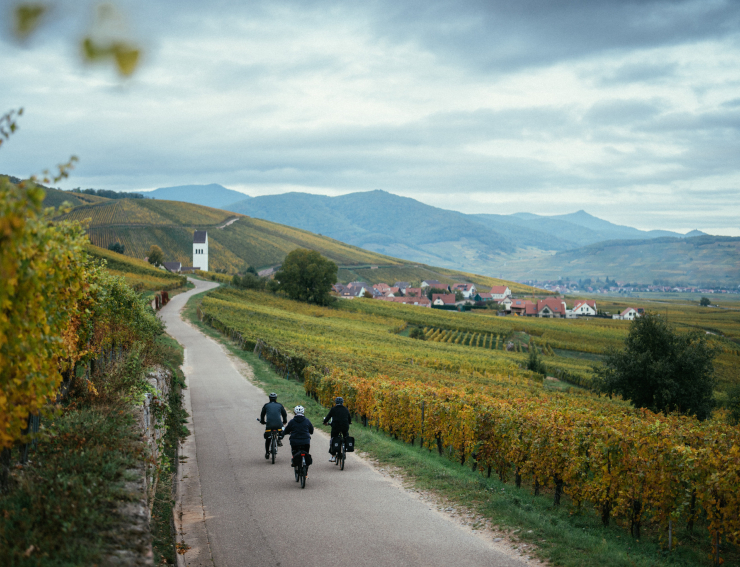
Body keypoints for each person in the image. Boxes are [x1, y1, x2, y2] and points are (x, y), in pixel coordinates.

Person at [282, 405, 314, 473]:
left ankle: (294, 461)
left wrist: (283, 434)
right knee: (306, 453)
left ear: (294, 412)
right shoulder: (307, 421)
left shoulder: (292, 421)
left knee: (294, 451)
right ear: (303, 412)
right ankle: (306, 471)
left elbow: (286, 430)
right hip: (306, 441)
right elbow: (311, 431)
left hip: (295, 441)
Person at [323, 396, 351, 462]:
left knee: (333, 438)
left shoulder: (333, 409)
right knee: (346, 436)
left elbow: (328, 417)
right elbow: (349, 419)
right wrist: (349, 422)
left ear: (335, 402)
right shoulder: (346, 409)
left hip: (336, 427)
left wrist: (325, 422)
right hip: (345, 427)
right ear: (342, 402)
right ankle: (345, 448)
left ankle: (333, 455)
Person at [260, 392, 287, 459]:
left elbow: (262, 414)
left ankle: (267, 452)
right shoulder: (280, 405)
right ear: (276, 399)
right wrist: (284, 421)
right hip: (278, 424)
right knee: (282, 430)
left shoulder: (266, 405)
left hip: (269, 424)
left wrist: (262, 421)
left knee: (268, 438)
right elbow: (284, 414)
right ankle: (279, 438)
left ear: (269, 399)